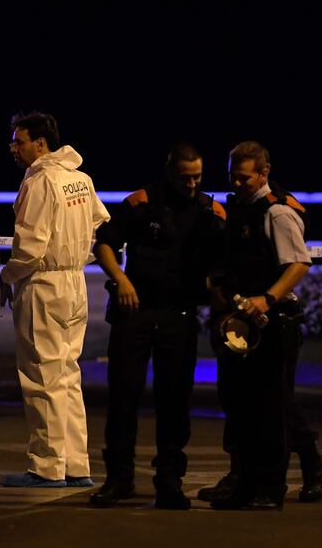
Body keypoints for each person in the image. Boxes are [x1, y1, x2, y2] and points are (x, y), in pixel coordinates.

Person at [88, 143, 226, 509]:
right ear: (170, 172)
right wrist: (120, 279)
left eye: (198, 177)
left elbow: (224, 260)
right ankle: (119, 479)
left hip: (179, 315)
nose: (193, 184)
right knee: (123, 397)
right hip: (135, 312)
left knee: (175, 401)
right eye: (185, 177)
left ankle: (169, 481)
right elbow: (104, 242)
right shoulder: (141, 203)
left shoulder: (209, 211)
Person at [203, 140, 322, 510]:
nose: (238, 184)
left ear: (264, 174)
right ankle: (244, 480)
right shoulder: (237, 210)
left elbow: (299, 264)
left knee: (272, 408)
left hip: (273, 322)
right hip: (238, 322)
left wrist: (267, 299)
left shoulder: (276, 213)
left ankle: (272, 487)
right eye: (233, 177)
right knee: (240, 404)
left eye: (245, 178)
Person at [0, 111, 110, 488]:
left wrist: (3, 278)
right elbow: (98, 220)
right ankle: (77, 465)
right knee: (67, 375)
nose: (14, 147)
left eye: (19, 140)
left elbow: (29, 248)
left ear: (40, 143)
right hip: (75, 282)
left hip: (43, 284)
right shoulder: (80, 178)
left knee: (42, 376)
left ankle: (46, 466)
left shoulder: (42, 181)